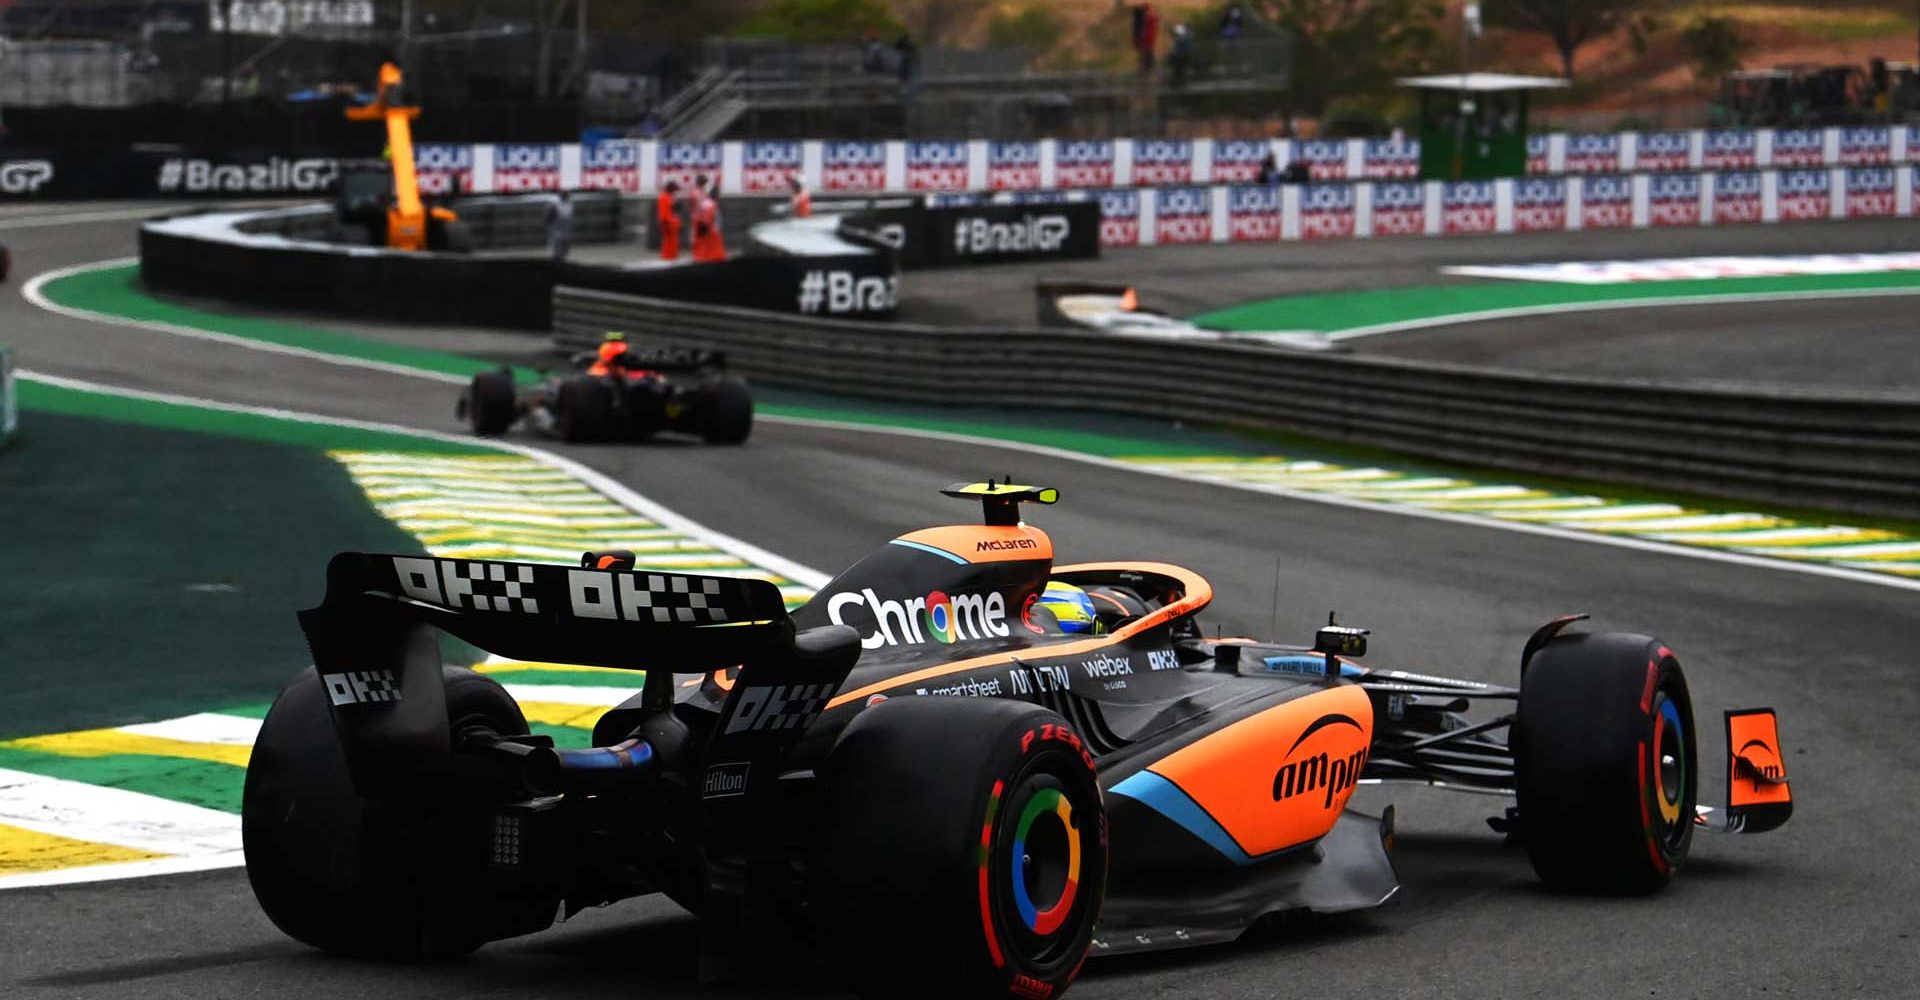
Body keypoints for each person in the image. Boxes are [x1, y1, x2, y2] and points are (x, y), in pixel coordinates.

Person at [691, 175, 726, 263]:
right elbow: (706, 217)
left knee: (706, 247)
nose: (718, 195)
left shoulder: (709, 202)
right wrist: (705, 224)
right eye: (716, 193)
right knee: (707, 247)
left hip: (706, 227)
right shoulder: (708, 203)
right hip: (706, 228)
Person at [656, 179, 681, 261]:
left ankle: (672, 257)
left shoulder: (669, 197)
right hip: (668, 225)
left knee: (673, 244)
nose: (675, 193)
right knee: (668, 243)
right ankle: (667, 259)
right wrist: (666, 225)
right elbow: (664, 215)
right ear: (671, 189)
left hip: (672, 225)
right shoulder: (664, 197)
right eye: (674, 190)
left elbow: (673, 211)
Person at [546, 189, 574, 264]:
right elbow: (549, 219)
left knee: (564, 255)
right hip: (557, 234)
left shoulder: (570, 205)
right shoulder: (555, 205)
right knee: (557, 255)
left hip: (566, 233)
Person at [1169, 23, 1192, 89]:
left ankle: (1178, 83)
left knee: (1179, 70)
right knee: (1179, 70)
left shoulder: (1186, 36)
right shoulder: (1186, 35)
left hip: (1181, 56)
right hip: (1180, 56)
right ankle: (1179, 83)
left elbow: (1175, 35)